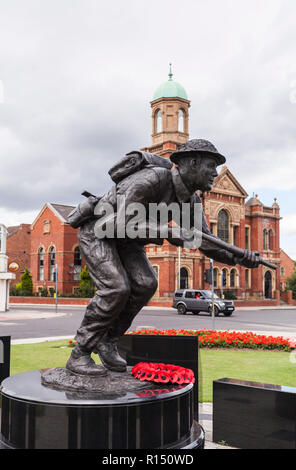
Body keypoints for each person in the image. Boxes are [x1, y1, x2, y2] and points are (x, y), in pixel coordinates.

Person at [66, 139, 260, 375]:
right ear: (193, 163)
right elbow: (117, 223)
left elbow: (205, 243)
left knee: (147, 283)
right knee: (116, 288)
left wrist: (241, 259)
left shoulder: (190, 201)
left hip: (129, 243)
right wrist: (168, 231)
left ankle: (108, 341)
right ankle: (80, 354)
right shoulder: (152, 179)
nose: (215, 173)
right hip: (99, 233)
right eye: (211, 166)